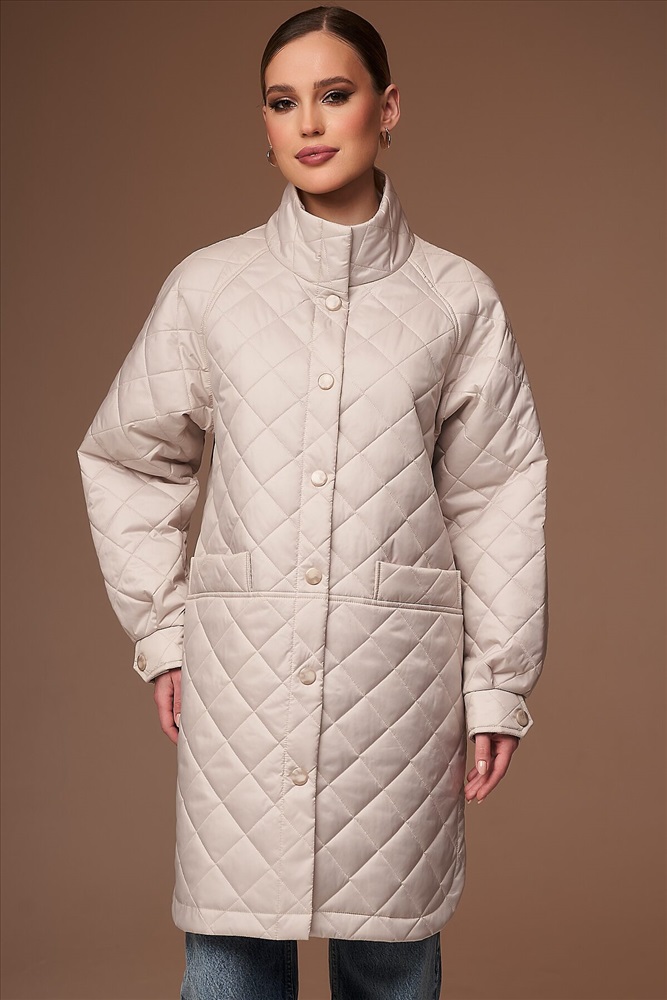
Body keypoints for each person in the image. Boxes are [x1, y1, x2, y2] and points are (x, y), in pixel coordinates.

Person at [76, 5, 549, 999]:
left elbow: (496, 493)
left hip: (397, 687)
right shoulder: (209, 288)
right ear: (263, 122)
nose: (310, 122)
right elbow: (129, 458)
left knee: (389, 956)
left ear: (388, 107)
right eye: (282, 102)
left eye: (334, 94)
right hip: (241, 684)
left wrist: (496, 684)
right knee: (230, 959)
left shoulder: (456, 299)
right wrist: (162, 630)